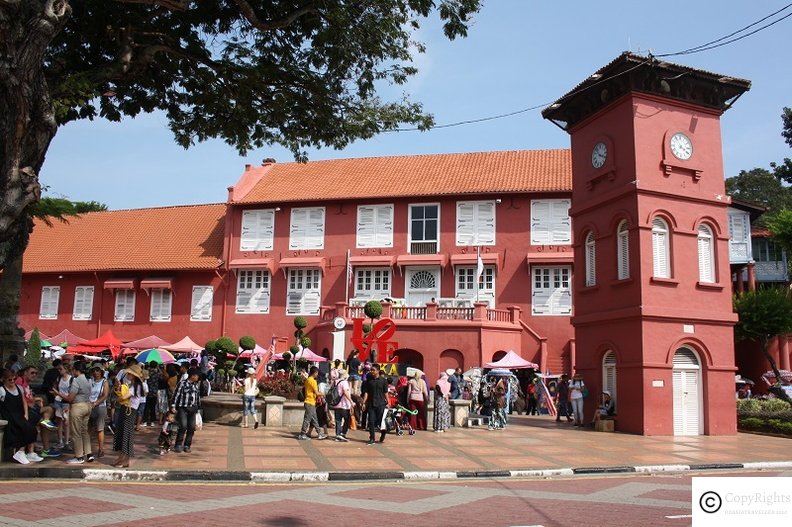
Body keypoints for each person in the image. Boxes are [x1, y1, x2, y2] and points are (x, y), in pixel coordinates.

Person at [0, 368, 41, 464]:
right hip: (9, 415)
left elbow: (24, 402)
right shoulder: (2, 390)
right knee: (24, 429)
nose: (12, 381)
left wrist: (26, 414)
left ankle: (30, 452)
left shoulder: (19, 388)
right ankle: (20, 452)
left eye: (14, 379)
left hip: (20, 415)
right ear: (3, 380)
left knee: (32, 429)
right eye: (9, 380)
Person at [113, 363, 146, 467]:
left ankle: (123, 459)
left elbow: (123, 397)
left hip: (129, 411)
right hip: (128, 411)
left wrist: (118, 396)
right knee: (124, 434)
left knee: (126, 435)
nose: (128, 374)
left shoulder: (135, 387)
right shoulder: (133, 386)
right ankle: (123, 459)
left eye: (130, 373)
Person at [171, 368, 203, 453]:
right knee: (183, 426)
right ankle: (178, 444)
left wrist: (198, 408)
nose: (198, 377)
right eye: (197, 376)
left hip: (193, 409)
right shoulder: (182, 384)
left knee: (191, 428)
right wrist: (173, 406)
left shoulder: (196, 385)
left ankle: (187, 445)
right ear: (192, 376)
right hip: (183, 408)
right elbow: (176, 395)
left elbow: (197, 398)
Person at [297, 366, 327, 440]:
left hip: (310, 402)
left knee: (314, 419)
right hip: (310, 402)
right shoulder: (313, 381)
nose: (317, 375)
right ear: (315, 373)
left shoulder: (307, 380)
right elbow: (317, 393)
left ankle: (319, 433)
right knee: (307, 419)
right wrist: (323, 394)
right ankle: (302, 434)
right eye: (317, 373)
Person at [361, 365, 388, 445]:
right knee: (371, 421)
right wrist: (364, 402)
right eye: (371, 370)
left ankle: (383, 433)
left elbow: (385, 392)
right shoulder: (369, 381)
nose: (372, 371)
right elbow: (366, 392)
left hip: (381, 404)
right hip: (371, 403)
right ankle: (372, 438)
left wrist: (388, 402)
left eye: (373, 370)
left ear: (378, 371)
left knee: (381, 422)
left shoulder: (383, 381)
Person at [88, 365, 110, 459]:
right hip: (89, 406)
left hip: (100, 406)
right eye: (94, 370)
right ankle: (88, 449)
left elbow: (105, 395)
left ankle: (101, 449)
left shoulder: (104, 382)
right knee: (88, 428)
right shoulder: (90, 381)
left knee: (99, 429)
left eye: (98, 370)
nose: (96, 372)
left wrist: (96, 402)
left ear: (101, 372)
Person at [331, 369, 353, 442]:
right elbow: (346, 392)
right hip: (344, 405)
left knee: (338, 420)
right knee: (347, 419)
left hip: (336, 404)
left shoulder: (335, 382)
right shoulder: (344, 382)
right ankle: (343, 433)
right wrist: (351, 401)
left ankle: (338, 434)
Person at [143, 360, 160, 427]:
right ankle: (152, 421)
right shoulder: (157, 374)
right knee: (153, 407)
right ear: (156, 366)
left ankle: (145, 421)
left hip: (147, 392)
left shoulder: (147, 373)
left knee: (146, 407)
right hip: (154, 392)